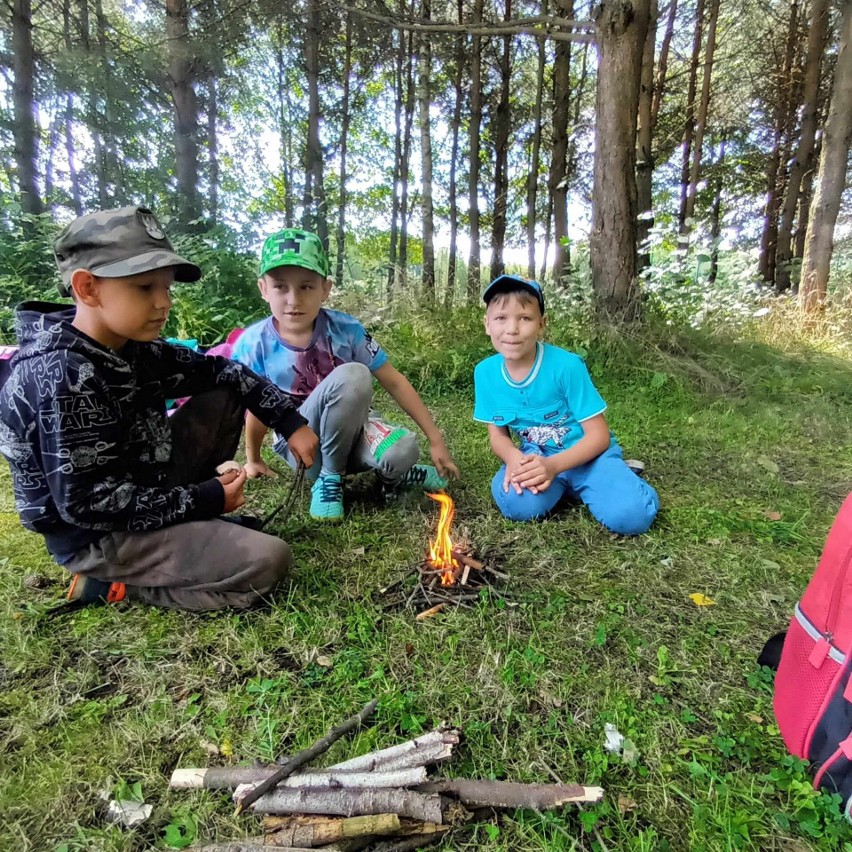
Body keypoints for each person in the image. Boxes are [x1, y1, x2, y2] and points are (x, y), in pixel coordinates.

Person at [0, 206, 319, 610]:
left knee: (221, 388)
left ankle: (191, 528)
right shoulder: (62, 374)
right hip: (96, 535)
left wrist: (289, 421)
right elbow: (89, 504)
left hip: (144, 487)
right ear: (87, 288)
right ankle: (111, 585)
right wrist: (204, 500)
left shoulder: (131, 347)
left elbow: (225, 371)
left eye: (166, 288)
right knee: (267, 561)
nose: (163, 303)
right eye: (144, 288)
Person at [231, 227, 459, 522]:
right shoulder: (254, 344)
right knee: (353, 374)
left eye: (306, 287)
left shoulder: (346, 330)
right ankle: (329, 478)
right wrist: (253, 459)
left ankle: (394, 476)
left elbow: (394, 381)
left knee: (403, 449)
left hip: (354, 431)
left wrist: (435, 438)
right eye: (280, 287)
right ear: (263, 289)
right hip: (303, 446)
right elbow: (257, 408)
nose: (293, 299)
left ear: (325, 288)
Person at [474, 274, 659, 535]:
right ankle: (569, 487)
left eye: (524, 318)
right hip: (537, 456)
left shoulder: (567, 366)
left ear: (541, 324)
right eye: (501, 318)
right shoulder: (485, 373)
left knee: (631, 517)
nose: (512, 329)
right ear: (487, 324)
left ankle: (618, 478)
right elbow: (497, 436)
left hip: (589, 456)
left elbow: (599, 436)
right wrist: (514, 458)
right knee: (515, 505)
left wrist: (554, 467)